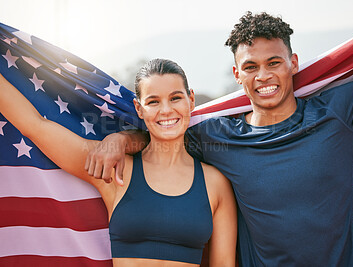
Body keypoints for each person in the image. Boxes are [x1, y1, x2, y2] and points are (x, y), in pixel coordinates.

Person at [85, 12, 353, 266]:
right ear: (237, 74)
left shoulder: (338, 112)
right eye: (251, 66)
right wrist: (119, 141)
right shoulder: (218, 138)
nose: (263, 76)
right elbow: (161, 136)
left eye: (273, 62)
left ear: (293, 63)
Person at [0, 58, 237, 267]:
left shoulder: (215, 184)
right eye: (153, 102)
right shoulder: (114, 170)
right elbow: (35, 126)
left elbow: (224, 264)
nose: (166, 110)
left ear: (191, 100)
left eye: (175, 98)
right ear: (139, 109)